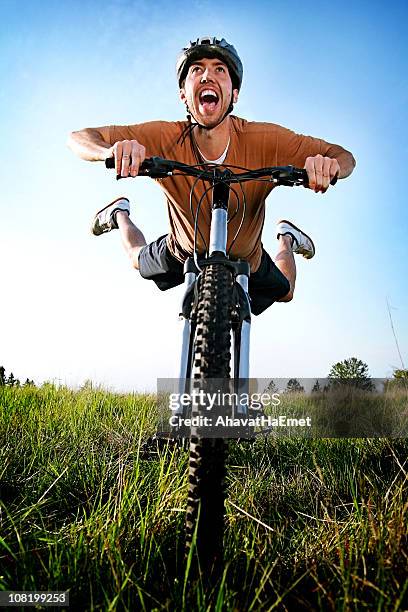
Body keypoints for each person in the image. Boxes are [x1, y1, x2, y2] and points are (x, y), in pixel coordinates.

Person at [68, 36, 355, 315]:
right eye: (197, 70)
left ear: (234, 94)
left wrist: (328, 167)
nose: (207, 76)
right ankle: (120, 215)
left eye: (220, 69)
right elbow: (79, 138)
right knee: (135, 259)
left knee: (287, 291)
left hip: (248, 256)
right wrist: (110, 151)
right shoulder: (164, 136)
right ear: (184, 94)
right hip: (182, 248)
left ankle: (287, 239)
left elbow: (344, 157)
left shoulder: (266, 139)